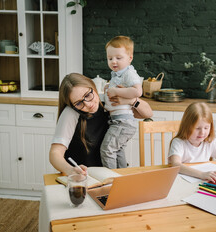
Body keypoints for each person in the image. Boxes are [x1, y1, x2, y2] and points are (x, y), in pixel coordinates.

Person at [49, 73, 152, 176]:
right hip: (85, 176)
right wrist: (70, 170)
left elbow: (147, 113)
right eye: (79, 103)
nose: (88, 104)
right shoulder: (71, 113)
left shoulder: (107, 100)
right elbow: (55, 154)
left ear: (93, 87)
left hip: (110, 173)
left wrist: (131, 100)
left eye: (88, 95)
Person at [168, 102, 216, 182]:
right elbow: (175, 164)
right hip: (182, 181)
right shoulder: (178, 142)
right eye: (197, 128)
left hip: (203, 183)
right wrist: (201, 174)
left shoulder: (210, 142)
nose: (202, 133)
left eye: (206, 128)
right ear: (187, 127)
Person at [100, 36, 143, 169]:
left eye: (118, 58)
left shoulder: (129, 73)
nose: (114, 61)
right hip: (119, 120)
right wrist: (109, 87)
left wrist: (116, 92)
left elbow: (138, 91)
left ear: (130, 58)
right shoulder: (117, 74)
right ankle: (122, 178)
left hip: (123, 121)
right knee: (117, 151)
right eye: (110, 58)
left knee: (107, 150)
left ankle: (111, 181)